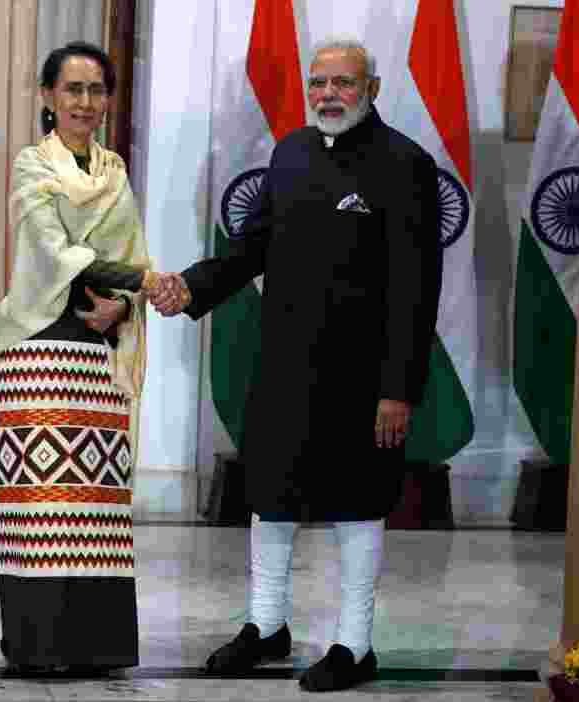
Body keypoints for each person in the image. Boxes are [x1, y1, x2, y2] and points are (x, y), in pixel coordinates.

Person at [148, 38, 443, 692]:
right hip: (283, 368)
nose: (328, 94)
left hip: (364, 382)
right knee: (271, 497)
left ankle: (355, 644)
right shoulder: (289, 154)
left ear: (373, 86)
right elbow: (250, 246)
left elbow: (416, 290)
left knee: (357, 504)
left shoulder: (406, 165)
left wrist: (399, 388)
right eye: (319, 83)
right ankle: (267, 626)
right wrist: (191, 287)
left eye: (343, 82)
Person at [0, 40, 171, 672]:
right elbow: (49, 250)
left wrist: (124, 306)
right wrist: (142, 284)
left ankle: (96, 644)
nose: (85, 102)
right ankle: (40, 645)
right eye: (72, 89)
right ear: (48, 97)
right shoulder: (30, 166)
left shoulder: (114, 171)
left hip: (100, 349)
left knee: (96, 504)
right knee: (43, 500)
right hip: (42, 342)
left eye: (96, 90)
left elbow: (136, 253)